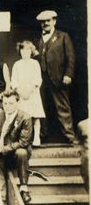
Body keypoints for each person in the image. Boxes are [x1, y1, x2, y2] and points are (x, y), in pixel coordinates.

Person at [35, 10, 76, 144]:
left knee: (62, 107)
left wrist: (68, 74)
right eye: (43, 22)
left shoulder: (63, 36)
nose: (45, 23)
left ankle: (69, 136)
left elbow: (71, 57)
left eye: (48, 20)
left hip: (59, 78)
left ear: (54, 21)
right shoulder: (39, 39)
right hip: (42, 79)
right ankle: (43, 135)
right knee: (42, 108)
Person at [10, 40, 44, 146]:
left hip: (32, 93)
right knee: (22, 117)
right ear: (19, 51)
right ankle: (24, 138)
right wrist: (20, 91)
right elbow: (14, 80)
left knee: (35, 116)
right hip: (21, 94)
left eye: (28, 50)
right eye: (23, 50)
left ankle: (36, 137)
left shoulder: (35, 63)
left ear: (31, 51)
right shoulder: (17, 64)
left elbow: (38, 79)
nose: (25, 52)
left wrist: (29, 91)